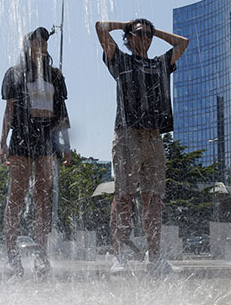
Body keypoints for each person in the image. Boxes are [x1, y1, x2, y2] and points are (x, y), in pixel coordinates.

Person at [95, 18, 188, 275]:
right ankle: (119, 255)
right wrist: (128, 24)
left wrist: (153, 30)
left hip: (154, 137)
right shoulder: (120, 60)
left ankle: (155, 257)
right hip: (127, 135)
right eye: (139, 34)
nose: (145, 38)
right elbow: (100, 27)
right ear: (128, 37)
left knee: (153, 199)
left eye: (148, 35)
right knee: (124, 196)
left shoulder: (159, 63)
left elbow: (183, 43)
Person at [0, 27, 71, 277]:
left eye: (44, 40)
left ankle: (42, 254)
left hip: (46, 136)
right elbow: (9, 111)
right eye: (36, 39)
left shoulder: (55, 75)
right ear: (27, 44)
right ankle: (12, 254)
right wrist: (2, 143)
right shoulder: (15, 73)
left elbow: (62, 112)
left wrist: (66, 145)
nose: (41, 43)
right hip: (21, 135)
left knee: (43, 197)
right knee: (16, 194)